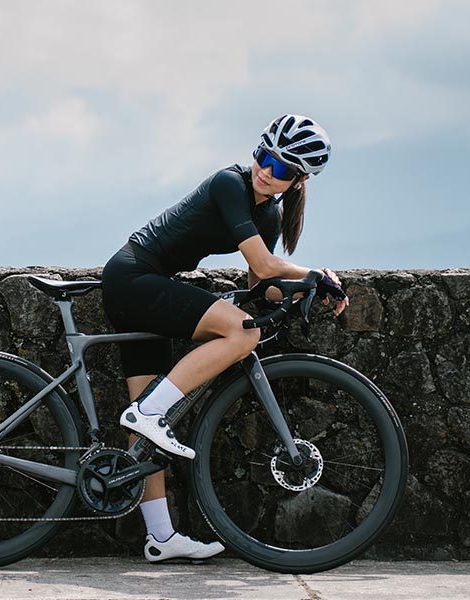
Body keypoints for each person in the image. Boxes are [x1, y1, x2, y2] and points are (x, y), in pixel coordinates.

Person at [101, 114, 349, 563]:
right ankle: (149, 412)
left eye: (281, 167)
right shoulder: (229, 183)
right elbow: (266, 264)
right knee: (241, 330)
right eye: (264, 155)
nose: (266, 170)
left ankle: (161, 537)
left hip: (149, 287)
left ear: (298, 180)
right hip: (134, 278)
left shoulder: (269, 216)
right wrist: (316, 273)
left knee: (143, 437)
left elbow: (261, 283)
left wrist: (303, 288)